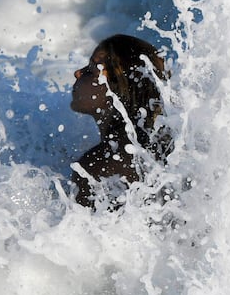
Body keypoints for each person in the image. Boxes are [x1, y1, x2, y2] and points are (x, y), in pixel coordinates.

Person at [70, 34, 172, 208]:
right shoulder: (162, 145)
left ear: (116, 88)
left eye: (92, 69)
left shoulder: (97, 166)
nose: (78, 73)